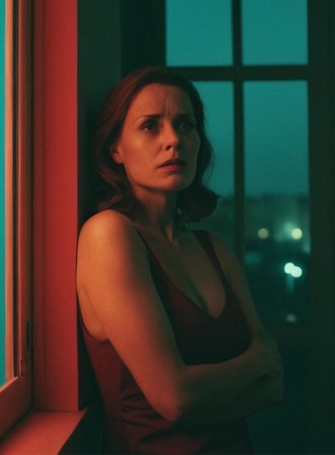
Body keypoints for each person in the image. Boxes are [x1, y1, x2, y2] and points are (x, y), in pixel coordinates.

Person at [76, 66, 284, 454]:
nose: (174, 140)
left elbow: (275, 387)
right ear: (115, 148)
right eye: (150, 126)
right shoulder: (109, 235)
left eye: (185, 125)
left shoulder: (214, 249)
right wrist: (254, 363)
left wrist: (203, 394)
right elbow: (176, 399)